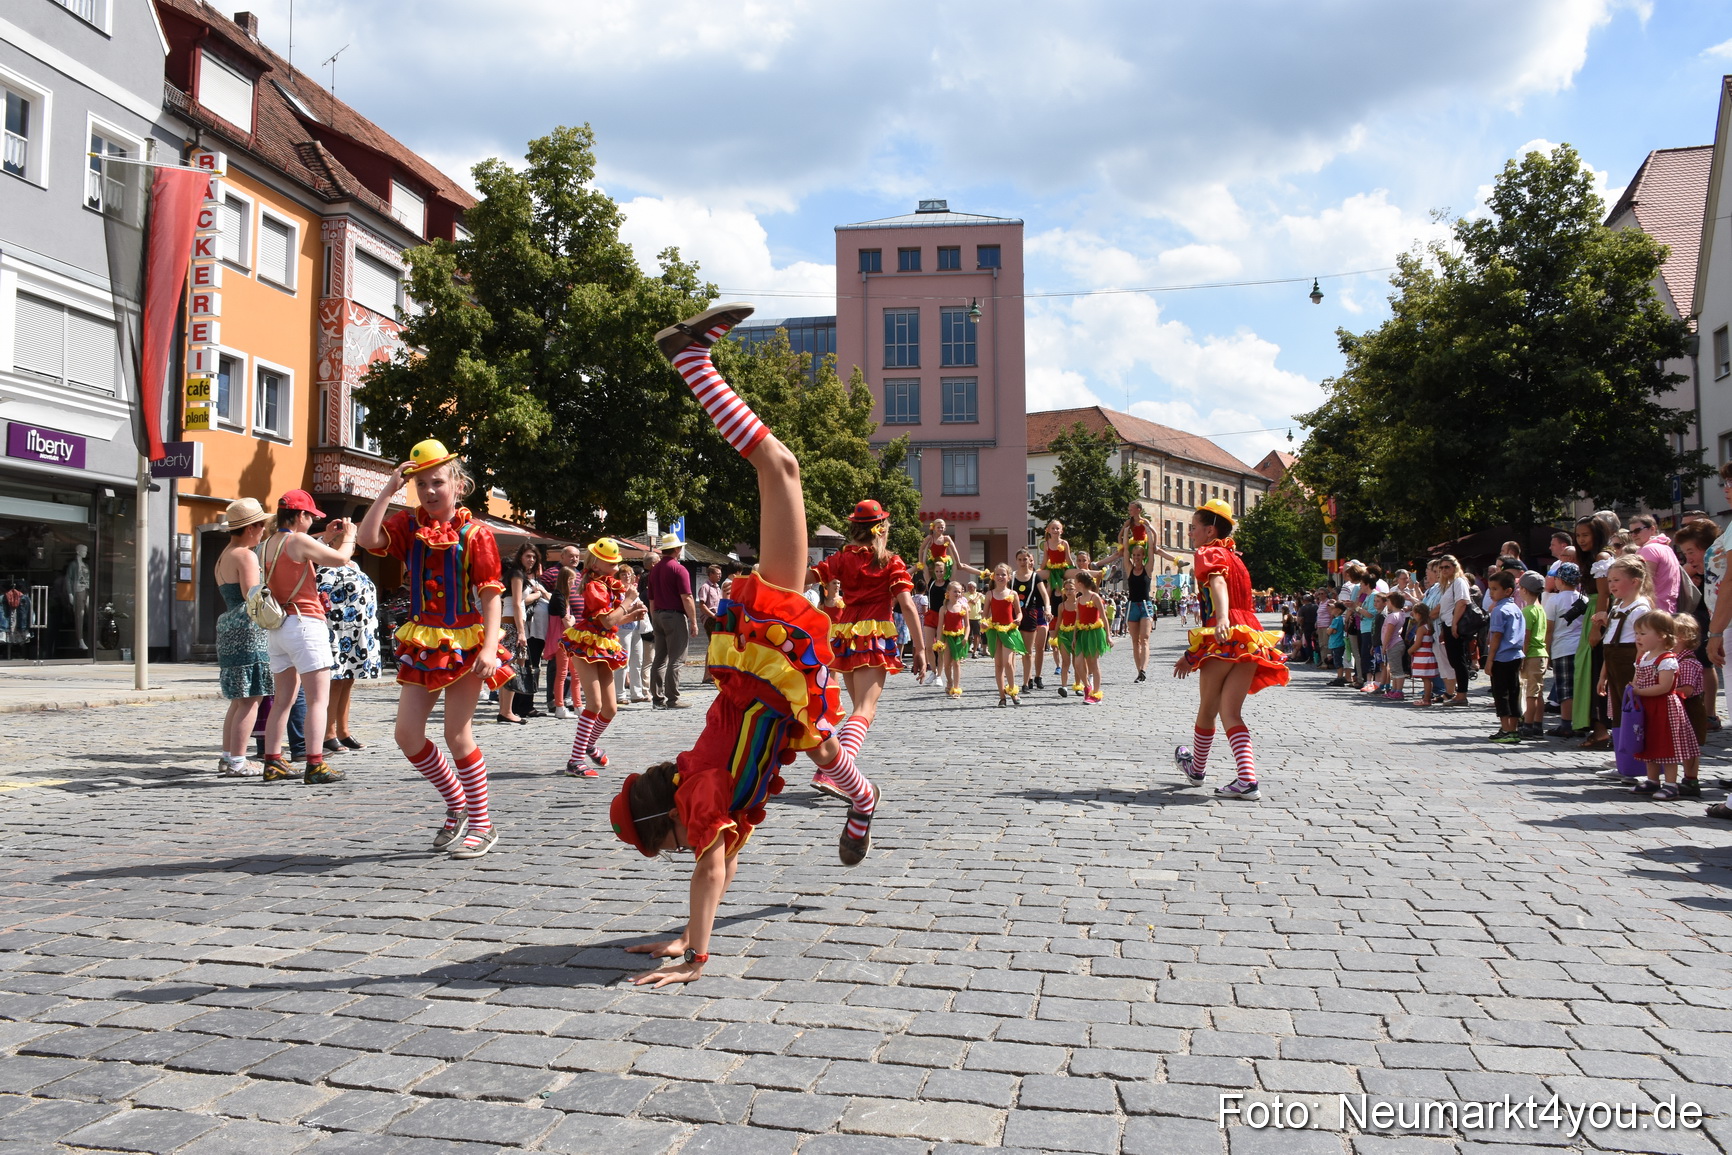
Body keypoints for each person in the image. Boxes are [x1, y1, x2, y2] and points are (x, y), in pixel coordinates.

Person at [608, 303, 881, 989]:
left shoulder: (701, 797)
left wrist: (695, 957)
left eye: (667, 846)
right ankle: (862, 800)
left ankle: (692, 364)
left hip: (767, 676)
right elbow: (720, 863)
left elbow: (708, 866)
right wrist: (688, 932)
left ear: (667, 823)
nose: (682, 851)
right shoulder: (703, 796)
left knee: (781, 467)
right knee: (825, 751)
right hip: (768, 698)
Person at [357, 442, 513, 858]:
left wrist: (490, 646)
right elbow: (366, 538)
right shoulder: (408, 526)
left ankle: (482, 823)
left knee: (456, 734)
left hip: (464, 642)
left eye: (437, 482)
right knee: (406, 735)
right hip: (423, 641)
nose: (428, 491)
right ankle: (456, 801)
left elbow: (491, 594)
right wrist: (388, 489)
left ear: (457, 484)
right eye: (421, 484)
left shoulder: (476, 533)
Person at [809, 496, 927, 797]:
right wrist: (921, 649)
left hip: (846, 636)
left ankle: (829, 770)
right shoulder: (890, 561)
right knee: (866, 710)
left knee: (858, 710)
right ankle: (835, 772)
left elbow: (805, 577)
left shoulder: (841, 559)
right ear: (881, 528)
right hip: (874, 635)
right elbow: (907, 606)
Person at [1171, 499, 1290, 799]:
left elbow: (1218, 583)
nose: (1191, 533)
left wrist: (1222, 618)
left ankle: (1196, 769)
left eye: (1194, 528)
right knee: (1231, 712)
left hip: (1225, 632)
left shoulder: (1208, 552)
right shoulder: (1236, 559)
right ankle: (1247, 780)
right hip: (1250, 635)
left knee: (1208, 709)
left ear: (1210, 530)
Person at [259, 490, 358, 785]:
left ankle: (273, 761)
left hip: (279, 626)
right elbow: (340, 559)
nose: (312, 520)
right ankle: (315, 764)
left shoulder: (266, 544)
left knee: (282, 700)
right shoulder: (298, 541)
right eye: (311, 516)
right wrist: (349, 536)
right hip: (305, 624)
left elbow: (297, 554)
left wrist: (324, 537)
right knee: (318, 700)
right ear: (300, 515)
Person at [562, 538, 646, 776]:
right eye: (611, 563)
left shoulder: (607, 584)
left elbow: (610, 621)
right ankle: (575, 760)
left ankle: (588, 745)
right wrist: (628, 601)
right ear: (596, 564)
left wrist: (631, 615)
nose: (616, 567)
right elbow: (607, 620)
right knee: (595, 704)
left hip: (603, 644)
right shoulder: (594, 586)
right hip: (586, 645)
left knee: (610, 708)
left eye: (616, 563)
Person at [213, 497, 272, 777]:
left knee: (239, 698)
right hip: (248, 629)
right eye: (261, 526)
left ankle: (228, 757)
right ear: (251, 528)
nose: (264, 531)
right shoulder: (245, 556)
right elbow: (254, 596)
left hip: (229, 626)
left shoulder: (225, 554)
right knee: (251, 697)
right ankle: (238, 761)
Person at [318, 552, 382, 749]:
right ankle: (328, 733)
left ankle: (343, 731)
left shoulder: (354, 565)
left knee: (348, 680)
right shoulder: (327, 564)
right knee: (336, 681)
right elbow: (321, 596)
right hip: (339, 630)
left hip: (358, 630)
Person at [1630, 610, 1694, 801]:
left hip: (1664, 709)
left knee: (1666, 745)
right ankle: (1652, 780)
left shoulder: (1666, 660)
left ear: (1661, 636)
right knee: (1649, 742)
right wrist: (1633, 688)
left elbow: (1664, 687)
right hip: (1647, 709)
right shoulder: (1644, 658)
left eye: (1643, 633)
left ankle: (1671, 784)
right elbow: (1637, 680)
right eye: (1636, 633)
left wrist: (1639, 692)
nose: (1638, 637)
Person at [1595, 554, 1652, 766]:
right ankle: (1622, 758)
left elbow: (1642, 646)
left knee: (1632, 713)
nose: (1611, 585)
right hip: (1614, 666)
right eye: (1610, 580)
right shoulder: (1617, 607)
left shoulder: (1640, 609)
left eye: (1617, 580)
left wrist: (1637, 675)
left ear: (1635, 581)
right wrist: (1603, 675)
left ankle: (1635, 760)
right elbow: (1610, 644)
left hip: (1630, 667)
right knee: (1618, 713)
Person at [646, 534, 699, 709]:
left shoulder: (654, 570)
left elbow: (652, 599)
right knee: (677, 658)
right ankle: (673, 699)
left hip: (658, 614)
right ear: (677, 549)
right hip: (674, 616)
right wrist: (693, 621)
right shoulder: (678, 569)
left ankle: (657, 698)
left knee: (659, 658)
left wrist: (654, 618)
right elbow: (687, 597)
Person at [1544, 563, 1586, 739]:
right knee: (1580, 687)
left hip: (1562, 648)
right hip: (1581, 648)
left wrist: (1546, 652)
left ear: (1560, 580)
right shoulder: (1584, 600)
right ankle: (1580, 722)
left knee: (1565, 688)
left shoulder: (1554, 600)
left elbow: (1549, 629)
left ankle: (1566, 724)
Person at [1484, 571, 1526, 744]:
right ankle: (1513, 729)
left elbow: (1496, 636)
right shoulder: (1516, 609)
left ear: (1508, 591)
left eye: (1495, 589)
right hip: (1516, 655)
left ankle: (1505, 728)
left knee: (1501, 693)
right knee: (1514, 691)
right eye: (1490, 589)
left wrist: (1489, 660)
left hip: (1501, 657)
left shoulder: (1499, 610)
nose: (1491, 593)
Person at [508, 544, 548, 719]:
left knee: (529, 666)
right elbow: (518, 602)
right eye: (528, 556)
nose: (531, 560)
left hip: (533, 628)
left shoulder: (531, 577)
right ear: (520, 557)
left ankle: (524, 705)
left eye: (533, 557)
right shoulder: (517, 575)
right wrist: (537, 595)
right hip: (520, 627)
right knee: (518, 666)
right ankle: (514, 707)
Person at [981, 564, 1027, 706]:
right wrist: (984, 623)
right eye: (998, 574)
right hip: (995, 631)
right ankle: (1002, 696)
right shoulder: (990, 594)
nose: (1000, 577)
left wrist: (1018, 619)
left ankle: (1013, 691)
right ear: (994, 577)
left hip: (1009, 630)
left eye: (1003, 574)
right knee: (999, 664)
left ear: (1009, 577)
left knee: (1008, 662)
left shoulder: (1012, 594)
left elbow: (1018, 612)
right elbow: (985, 614)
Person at [1674, 615, 1707, 797]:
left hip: (1690, 708)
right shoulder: (1674, 659)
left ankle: (1691, 780)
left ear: (1683, 637)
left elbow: (1687, 690)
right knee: (1683, 745)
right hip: (1681, 707)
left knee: (1691, 747)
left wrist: (1665, 689)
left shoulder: (1686, 663)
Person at [545, 546, 579, 719]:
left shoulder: (562, 597)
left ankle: (578, 705)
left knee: (575, 674)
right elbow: (567, 623)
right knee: (562, 673)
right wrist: (572, 620)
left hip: (567, 640)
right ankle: (559, 706)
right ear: (566, 580)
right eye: (572, 580)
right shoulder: (558, 597)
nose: (573, 584)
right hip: (561, 640)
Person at [1010, 549, 1052, 691]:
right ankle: (1011, 682)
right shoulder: (1012, 576)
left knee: (1028, 651)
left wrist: (1047, 609)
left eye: (1025, 559)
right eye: (1020, 559)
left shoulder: (1035, 577)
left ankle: (1026, 682)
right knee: (1011, 650)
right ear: (1016, 561)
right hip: (1013, 615)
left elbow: (1045, 595)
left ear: (1029, 560)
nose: (1023, 562)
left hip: (1030, 614)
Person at [1071, 571, 1111, 704]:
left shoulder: (1095, 597)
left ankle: (1096, 694)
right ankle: (1088, 686)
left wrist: (1108, 636)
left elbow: (1104, 617)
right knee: (1078, 663)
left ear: (1080, 583)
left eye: (1075, 582)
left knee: (1093, 663)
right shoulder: (1078, 599)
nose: (1074, 585)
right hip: (1082, 633)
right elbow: (1077, 619)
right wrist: (1074, 637)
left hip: (1094, 633)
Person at [1516, 571, 1548, 738]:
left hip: (1531, 655)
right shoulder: (1541, 609)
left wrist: (1522, 656)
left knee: (1530, 693)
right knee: (1538, 692)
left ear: (1524, 590)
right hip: (1542, 654)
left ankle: (1528, 725)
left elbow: (1525, 637)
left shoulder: (1527, 611)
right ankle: (1537, 724)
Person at [1630, 514, 1682, 614]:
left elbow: (1643, 583)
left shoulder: (1649, 549)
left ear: (1652, 529)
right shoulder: (1666, 547)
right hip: (1668, 608)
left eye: (1637, 530)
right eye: (1631, 532)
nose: (1633, 535)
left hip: (1652, 609)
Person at [933, 581, 969, 697]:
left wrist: (966, 637)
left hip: (959, 638)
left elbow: (967, 625)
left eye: (959, 592)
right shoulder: (943, 608)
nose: (957, 594)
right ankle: (949, 681)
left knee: (956, 663)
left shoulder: (963, 607)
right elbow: (940, 626)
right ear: (948, 593)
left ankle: (956, 688)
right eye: (955, 591)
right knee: (947, 663)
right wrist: (939, 641)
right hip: (947, 638)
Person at [696, 564, 725, 687]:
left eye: (720, 574)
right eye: (717, 574)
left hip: (718, 618)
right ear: (711, 574)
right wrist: (712, 616)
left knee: (715, 645)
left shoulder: (718, 588)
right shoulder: (705, 587)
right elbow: (702, 605)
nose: (719, 576)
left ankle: (712, 673)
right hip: (710, 619)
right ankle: (707, 674)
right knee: (712, 644)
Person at [1407, 603, 1438, 705]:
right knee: (1427, 679)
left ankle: (1426, 699)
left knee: (1426, 679)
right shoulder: (1428, 626)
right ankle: (1427, 698)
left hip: (1423, 656)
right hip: (1428, 654)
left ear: (1419, 614)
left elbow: (1418, 644)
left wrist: (1409, 650)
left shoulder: (1421, 628)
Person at [1380, 592, 1408, 701]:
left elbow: (1389, 633)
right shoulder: (1401, 614)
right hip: (1396, 643)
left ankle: (1399, 691)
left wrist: (1384, 646)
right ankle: (1394, 690)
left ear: (1392, 602)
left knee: (1397, 669)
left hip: (1393, 644)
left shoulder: (1392, 616)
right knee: (1394, 669)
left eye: (1388, 601)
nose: (1386, 603)